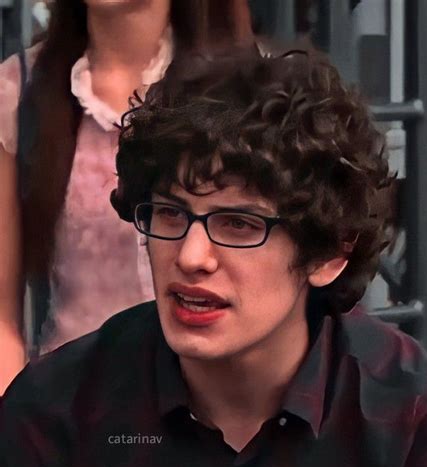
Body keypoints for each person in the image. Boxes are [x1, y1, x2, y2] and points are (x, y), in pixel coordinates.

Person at [1, 49, 427, 467]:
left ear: (331, 253)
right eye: (170, 214)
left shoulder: (425, 428)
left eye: (240, 225)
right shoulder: (57, 411)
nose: (191, 257)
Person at [0, 0, 253, 394]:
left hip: (216, 410)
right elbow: (2, 317)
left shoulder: (249, 87)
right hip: (73, 412)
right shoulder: (19, 90)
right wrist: (19, 430)